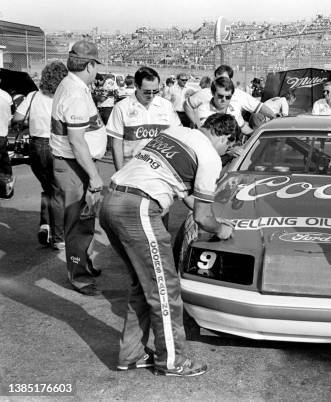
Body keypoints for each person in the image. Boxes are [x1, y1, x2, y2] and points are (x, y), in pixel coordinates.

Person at [99, 113, 238, 376]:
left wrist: (209, 216)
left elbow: (182, 193)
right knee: (166, 288)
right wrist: (221, 228)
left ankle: (131, 354)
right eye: (228, 145)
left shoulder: (175, 132)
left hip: (112, 200)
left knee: (143, 283)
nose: (225, 150)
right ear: (223, 137)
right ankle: (173, 361)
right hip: (138, 208)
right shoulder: (209, 156)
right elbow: (202, 216)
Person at [50, 40, 107, 296]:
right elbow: (76, 140)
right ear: (91, 65)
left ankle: (83, 264)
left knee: (85, 219)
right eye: (96, 66)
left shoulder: (75, 86)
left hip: (77, 164)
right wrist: (94, 176)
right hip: (75, 165)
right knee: (79, 222)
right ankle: (79, 276)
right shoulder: (74, 92)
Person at [12, 60, 68, 249]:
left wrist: (32, 121)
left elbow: (18, 118)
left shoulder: (33, 96)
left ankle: (46, 225)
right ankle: (59, 237)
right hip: (58, 144)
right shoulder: (65, 97)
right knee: (58, 192)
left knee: (47, 188)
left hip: (37, 145)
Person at [107, 66, 180, 171]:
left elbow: (176, 136)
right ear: (136, 86)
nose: (151, 95)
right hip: (132, 169)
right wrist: (119, 172)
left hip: (162, 170)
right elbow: (116, 143)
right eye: (146, 91)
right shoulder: (121, 107)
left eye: (155, 91)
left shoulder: (166, 105)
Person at [185, 76, 251, 136]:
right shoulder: (203, 111)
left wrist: (256, 134)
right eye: (220, 96)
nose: (224, 100)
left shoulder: (235, 109)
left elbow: (244, 128)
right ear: (213, 93)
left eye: (228, 97)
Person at [0, 78, 13, 198]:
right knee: (3, 162)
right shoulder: (6, 97)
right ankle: (6, 190)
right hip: (2, 135)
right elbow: (9, 121)